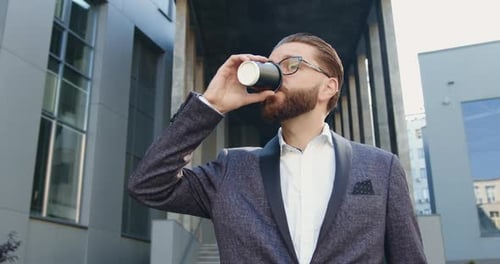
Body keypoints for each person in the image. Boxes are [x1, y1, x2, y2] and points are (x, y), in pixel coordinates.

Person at [128, 33, 427, 263]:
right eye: (272, 67)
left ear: (329, 87)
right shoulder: (232, 168)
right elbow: (149, 184)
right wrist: (211, 105)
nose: (278, 74)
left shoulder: (381, 167)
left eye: (292, 65)